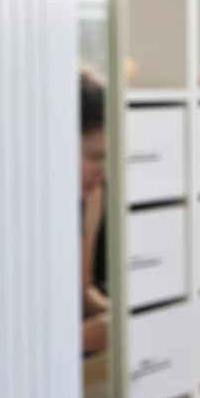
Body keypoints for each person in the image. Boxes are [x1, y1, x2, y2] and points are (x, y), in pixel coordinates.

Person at [80, 66, 110, 354]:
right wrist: (80, 339)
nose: (102, 171)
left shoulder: (92, 194)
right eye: (94, 156)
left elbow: (84, 292)